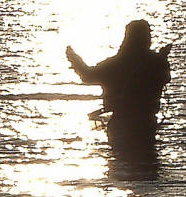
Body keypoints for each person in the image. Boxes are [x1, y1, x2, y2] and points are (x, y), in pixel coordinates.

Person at [66, 19, 171, 149]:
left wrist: (73, 58)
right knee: (147, 162)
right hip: (145, 124)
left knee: (120, 162)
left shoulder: (115, 63)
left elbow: (88, 76)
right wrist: (161, 57)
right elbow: (164, 78)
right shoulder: (157, 62)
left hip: (121, 125)